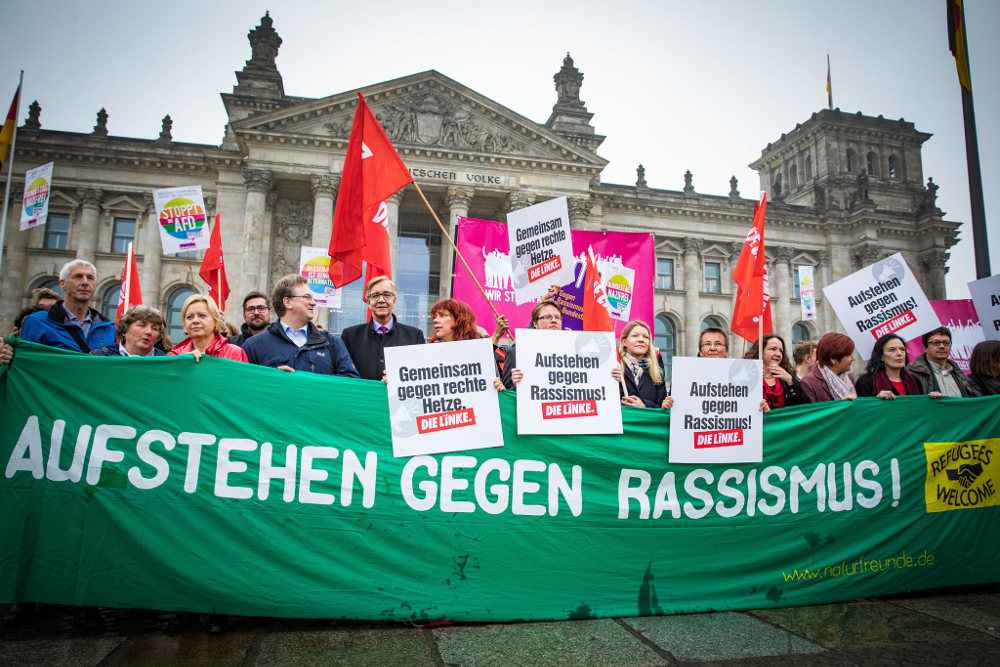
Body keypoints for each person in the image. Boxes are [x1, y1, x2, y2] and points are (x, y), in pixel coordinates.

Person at [242, 274, 358, 376]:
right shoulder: (254, 346)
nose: (313, 303)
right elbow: (243, 388)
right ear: (287, 302)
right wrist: (271, 380)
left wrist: (312, 383)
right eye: (306, 297)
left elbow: (350, 384)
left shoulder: (332, 343)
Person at [19, 260, 115, 352]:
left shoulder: (109, 328)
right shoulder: (37, 322)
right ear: (62, 283)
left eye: (90, 278)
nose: (85, 282)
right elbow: (26, 362)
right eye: (78, 277)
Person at [341, 276, 425, 381]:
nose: (381, 300)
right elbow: (343, 375)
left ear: (394, 300)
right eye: (375, 296)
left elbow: (421, 376)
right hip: (363, 396)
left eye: (386, 295)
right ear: (368, 302)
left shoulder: (414, 336)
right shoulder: (350, 336)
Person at [499, 297, 562, 389]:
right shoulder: (516, 353)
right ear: (535, 324)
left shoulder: (574, 353)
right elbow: (507, 396)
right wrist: (517, 385)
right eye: (548, 317)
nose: (554, 320)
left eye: (557, 317)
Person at [168, 294, 248, 362]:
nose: (195, 321)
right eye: (189, 317)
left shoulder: (234, 353)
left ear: (215, 320)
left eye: (202, 315)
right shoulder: (174, 357)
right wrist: (182, 363)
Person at [744, 335, 810, 410]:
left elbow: (804, 408)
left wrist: (791, 381)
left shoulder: (787, 378)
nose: (778, 354)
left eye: (781, 351)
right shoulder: (747, 376)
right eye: (773, 349)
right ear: (760, 351)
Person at [856, 333, 930, 399]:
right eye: (892, 350)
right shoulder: (866, 382)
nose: (899, 353)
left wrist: (932, 399)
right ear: (881, 356)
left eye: (902, 349)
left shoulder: (915, 380)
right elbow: (863, 410)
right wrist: (877, 400)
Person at [618, 320, 672, 409]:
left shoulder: (656, 368)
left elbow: (660, 405)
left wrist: (644, 405)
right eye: (635, 336)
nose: (641, 340)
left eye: (646, 337)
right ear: (624, 341)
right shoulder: (616, 366)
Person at [906, 326, 973, 397]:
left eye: (946, 343)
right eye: (936, 343)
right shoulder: (913, 373)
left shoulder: (957, 372)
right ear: (925, 347)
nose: (942, 346)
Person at [799, 332, 857, 403]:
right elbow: (812, 412)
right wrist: (839, 406)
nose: (853, 358)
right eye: (849, 355)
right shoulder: (808, 383)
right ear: (833, 359)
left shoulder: (849, 378)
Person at [90, 306, 167, 357]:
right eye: (142, 325)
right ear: (125, 330)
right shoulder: (100, 356)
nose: (149, 332)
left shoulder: (166, 362)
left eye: (155, 329)